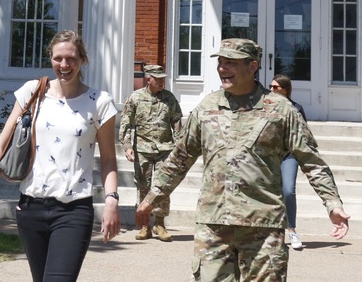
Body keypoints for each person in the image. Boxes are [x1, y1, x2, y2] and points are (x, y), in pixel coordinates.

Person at [135, 38, 350, 282]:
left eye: (231, 63)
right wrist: (152, 198)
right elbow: (179, 158)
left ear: (253, 66)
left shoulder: (281, 109)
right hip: (214, 225)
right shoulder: (207, 107)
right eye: (221, 62)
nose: (222, 69)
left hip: (263, 225)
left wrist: (332, 203)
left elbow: (311, 160)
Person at [0, 30, 121, 282]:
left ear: (82, 59)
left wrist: (111, 201)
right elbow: (2, 146)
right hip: (31, 208)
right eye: (58, 58)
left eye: (71, 58)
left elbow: (108, 159)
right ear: (51, 59)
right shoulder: (33, 92)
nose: (64, 65)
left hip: (74, 211)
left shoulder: (100, 102)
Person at [119, 63, 183, 241]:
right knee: (144, 187)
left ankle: (160, 224)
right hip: (143, 149)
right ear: (149, 79)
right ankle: (145, 225)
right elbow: (126, 123)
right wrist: (127, 146)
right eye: (159, 79)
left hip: (165, 149)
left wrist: (179, 147)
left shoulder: (169, 98)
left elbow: (177, 122)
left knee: (163, 187)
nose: (163, 82)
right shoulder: (136, 97)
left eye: (163, 79)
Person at [271, 73, 306, 251]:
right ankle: (272, 232)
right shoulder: (264, 107)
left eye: (276, 87)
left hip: (289, 155)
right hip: (269, 156)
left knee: (288, 191)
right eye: (271, 87)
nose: (272, 90)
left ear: (285, 90)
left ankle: (291, 229)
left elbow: (304, 136)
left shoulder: (297, 109)